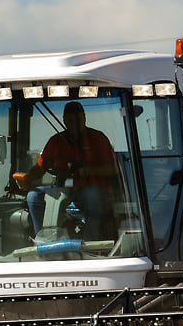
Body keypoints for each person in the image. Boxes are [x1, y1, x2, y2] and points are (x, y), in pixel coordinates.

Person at [14, 101, 118, 240]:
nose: (74, 123)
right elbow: (40, 168)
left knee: (92, 195)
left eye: (78, 119)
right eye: (70, 120)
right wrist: (27, 179)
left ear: (84, 118)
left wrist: (89, 171)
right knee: (33, 196)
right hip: (63, 189)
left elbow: (114, 169)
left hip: (89, 190)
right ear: (64, 120)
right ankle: (43, 240)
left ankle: (92, 241)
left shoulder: (98, 139)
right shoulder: (56, 141)